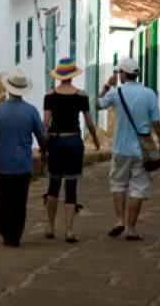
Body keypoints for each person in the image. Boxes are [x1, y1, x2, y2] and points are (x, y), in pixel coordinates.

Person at [96, 57, 160, 242]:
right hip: (142, 150)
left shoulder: (116, 93)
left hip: (121, 148)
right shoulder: (149, 94)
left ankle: (119, 220)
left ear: (123, 74)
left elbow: (97, 105)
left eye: (119, 73)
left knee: (118, 184)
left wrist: (106, 87)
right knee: (138, 188)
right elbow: (157, 122)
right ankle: (131, 229)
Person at [0, 66, 46, 247]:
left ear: (8, 88)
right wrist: (44, 153)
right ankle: (16, 235)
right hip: (22, 165)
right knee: (20, 202)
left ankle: (5, 232)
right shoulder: (31, 111)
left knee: (3, 201)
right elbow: (41, 136)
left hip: (2, 165)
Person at [43, 57, 100, 243]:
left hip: (56, 141)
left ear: (59, 75)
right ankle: (68, 231)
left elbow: (45, 123)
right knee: (71, 186)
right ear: (72, 76)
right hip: (73, 141)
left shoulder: (50, 95)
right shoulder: (81, 96)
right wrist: (96, 139)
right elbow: (89, 122)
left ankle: (50, 227)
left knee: (53, 185)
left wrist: (44, 147)